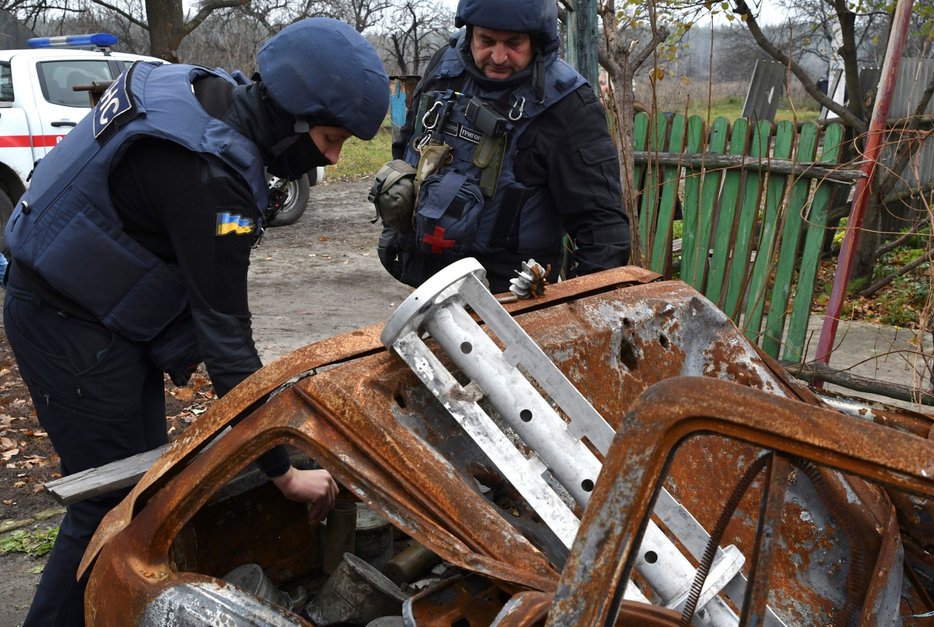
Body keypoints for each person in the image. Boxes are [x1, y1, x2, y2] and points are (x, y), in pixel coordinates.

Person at [2, 18, 389, 626]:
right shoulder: (212, 174)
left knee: (144, 489)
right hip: (67, 324)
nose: (335, 157)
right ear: (289, 115)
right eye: (331, 137)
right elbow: (228, 345)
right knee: (112, 508)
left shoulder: (193, 88)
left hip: (92, 311)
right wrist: (283, 472)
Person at [372, 0, 630, 294]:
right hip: (426, 284)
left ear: (538, 39)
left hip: (510, 301)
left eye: (513, 43)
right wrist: (395, 227)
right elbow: (408, 148)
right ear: (470, 33)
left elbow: (604, 230)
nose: (498, 56)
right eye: (487, 41)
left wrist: (578, 310)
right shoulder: (445, 68)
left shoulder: (569, 106)